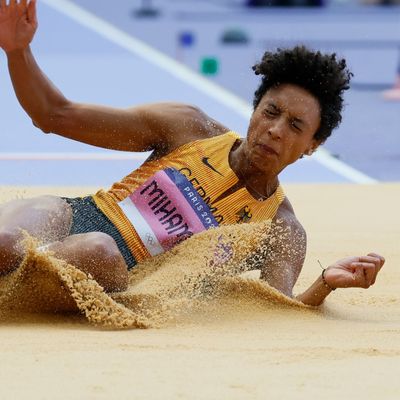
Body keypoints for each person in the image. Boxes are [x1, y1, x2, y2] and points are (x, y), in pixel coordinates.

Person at [0, 0, 385, 307]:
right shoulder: (188, 128)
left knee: (98, 249)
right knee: (8, 240)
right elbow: (55, 115)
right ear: (254, 109)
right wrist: (18, 51)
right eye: (270, 112)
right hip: (80, 213)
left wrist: (324, 285)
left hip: (115, 270)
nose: (274, 129)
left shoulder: (281, 229)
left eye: (295, 126)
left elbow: (278, 308)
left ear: (312, 147)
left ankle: (22, 278)